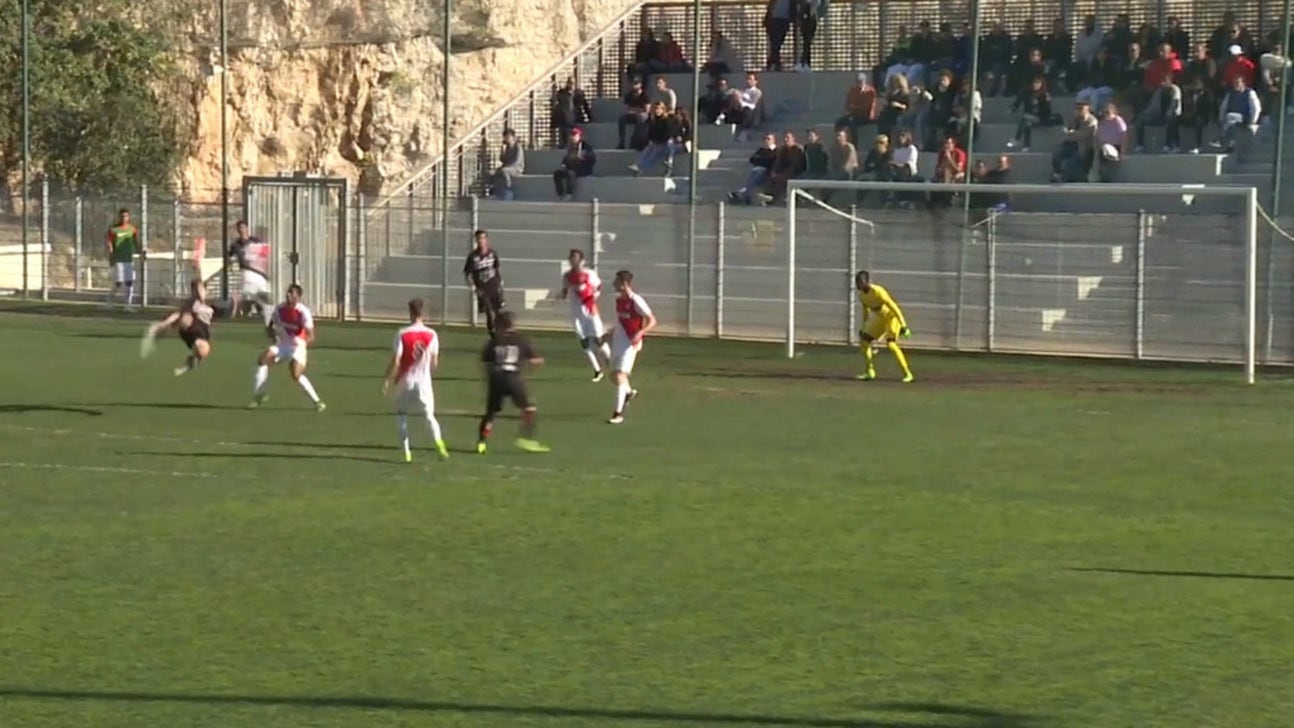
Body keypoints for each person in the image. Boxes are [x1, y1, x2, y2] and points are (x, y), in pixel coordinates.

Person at [383, 298, 449, 463]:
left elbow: (397, 360)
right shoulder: (432, 334)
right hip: (423, 382)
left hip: (405, 381)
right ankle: (440, 445)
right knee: (429, 416)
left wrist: (387, 378)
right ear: (422, 312)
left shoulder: (402, 333)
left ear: (410, 312)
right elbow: (434, 363)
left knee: (402, 414)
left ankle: (407, 452)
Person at [477, 312, 549, 454]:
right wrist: (529, 368)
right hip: (513, 378)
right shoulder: (521, 340)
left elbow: (485, 362)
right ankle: (526, 439)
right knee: (529, 409)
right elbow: (536, 360)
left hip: (496, 378)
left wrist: (488, 378)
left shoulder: (494, 341)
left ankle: (481, 442)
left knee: (490, 413)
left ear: (500, 325)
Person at [249, 283, 325, 411]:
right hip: (283, 345)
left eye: (291, 293)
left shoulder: (303, 312)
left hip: (298, 346)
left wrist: (302, 344)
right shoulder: (280, 309)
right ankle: (259, 396)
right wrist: (272, 334)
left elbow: (311, 335)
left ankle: (317, 402)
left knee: (295, 374)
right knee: (263, 360)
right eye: (288, 292)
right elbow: (271, 325)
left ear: (298, 297)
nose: (288, 295)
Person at [608, 270, 657, 425]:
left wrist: (641, 333)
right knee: (613, 375)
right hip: (618, 342)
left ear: (624, 284)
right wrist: (608, 334)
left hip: (630, 343)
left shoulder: (636, 300)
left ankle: (618, 413)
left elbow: (652, 320)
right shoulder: (618, 301)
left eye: (616, 282)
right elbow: (621, 322)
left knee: (620, 375)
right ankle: (628, 393)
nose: (614, 284)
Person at [141, 279, 216, 377]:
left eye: (203, 289)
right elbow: (181, 314)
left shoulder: (209, 307)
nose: (201, 292)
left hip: (202, 333)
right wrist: (167, 322)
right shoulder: (193, 302)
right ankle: (158, 329)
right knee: (182, 318)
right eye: (199, 289)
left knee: (203, 351)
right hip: (192, 329)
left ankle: (191, 362)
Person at [559, 249, 611, 382]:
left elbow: (599, 286)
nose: (572, 261)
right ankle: (597, 370)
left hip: (590, 311)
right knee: (584, 342)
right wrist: (560, 296)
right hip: (576, 314)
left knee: (598, 340)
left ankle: (610, 360)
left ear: (581, 260)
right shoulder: (567, 276)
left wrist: (594, 295)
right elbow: (564, 291)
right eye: (571, 258)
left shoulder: (589, 274)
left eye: (575, 258)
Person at [855, 270, 913, 383]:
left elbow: (894, 307)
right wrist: (864, 326)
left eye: (861, 281)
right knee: (864, 340)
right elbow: (866, 312)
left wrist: (904, 325)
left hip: (891, 318)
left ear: (867, 281)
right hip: (880, 319)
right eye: (857, 281)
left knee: (891, 344)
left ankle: (908, 373)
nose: (859, 284)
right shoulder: (862, 296)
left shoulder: (878, 291)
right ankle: (870, 371)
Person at [227, 220, 274, 337]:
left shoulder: (255, 241)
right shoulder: (236, 245)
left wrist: (264, 271)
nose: (242, 230)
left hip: (260, 274)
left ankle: (269, 324)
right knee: (253, 298)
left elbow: (262, 256)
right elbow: (236, 260)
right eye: (240, 228)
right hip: (249, 274)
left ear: (247, 228)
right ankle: (240, 318)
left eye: (244, 227)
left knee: (266, 299)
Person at [463, 229, 505, 337]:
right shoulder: (473, 256)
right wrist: (473, 287)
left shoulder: (492, 253)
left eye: (483, 238)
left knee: (498, 312)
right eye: (478, 238)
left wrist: (500, 282)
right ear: (476, 240)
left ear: (486, 239)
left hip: (494, 286)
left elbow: (497, 268)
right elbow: (467, 273)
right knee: (489, 312)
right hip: (482, 289)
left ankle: (501, 333)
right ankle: (493, 335)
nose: (481, 241)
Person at [105, 208, 142, 308]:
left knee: (129, 282)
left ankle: (128, 305)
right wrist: (111, 253)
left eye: (125, 216)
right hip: (118, 259)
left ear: (128, 217)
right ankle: (109, 302)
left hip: (128, 259)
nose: (123, 218)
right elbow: (109, 242)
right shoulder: (114, 229)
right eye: (121, 216)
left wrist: (140, 252)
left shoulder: (132, 229)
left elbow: (135, 242)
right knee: (118, 282)